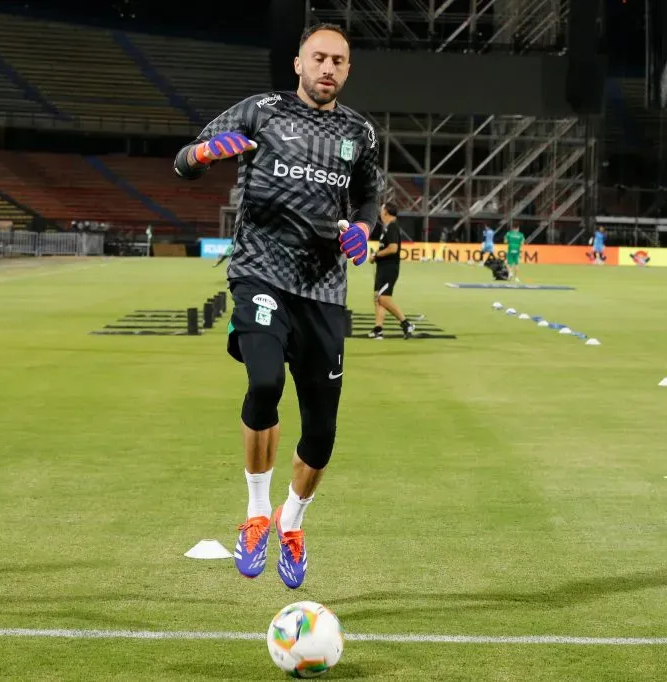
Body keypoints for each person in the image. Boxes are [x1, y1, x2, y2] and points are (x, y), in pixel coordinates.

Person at [172, 23, 380, 589]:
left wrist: (363, 228)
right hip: (261, 271)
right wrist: (206, 152)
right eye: (319, 57)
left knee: (323, 429)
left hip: (325, 290)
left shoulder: (359, 131)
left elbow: (370, 195)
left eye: (338, 60)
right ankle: (256, 514)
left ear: (347, 69)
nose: (328, 68)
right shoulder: (260, 110)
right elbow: (182, 160)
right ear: (298, 63)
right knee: (264, 383)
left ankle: (292, 523)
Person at [367, 202, 414, 340]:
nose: (380, 213)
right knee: (378, 298)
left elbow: (393, 248)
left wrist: (376, 255)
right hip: (382, 268)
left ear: (386, 212)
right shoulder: (388, 228)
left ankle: (406, 323)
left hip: (389, 269)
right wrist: (376, 257)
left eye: (381, 210)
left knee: (383, 298)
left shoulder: (393, 227)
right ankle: (378, 329)